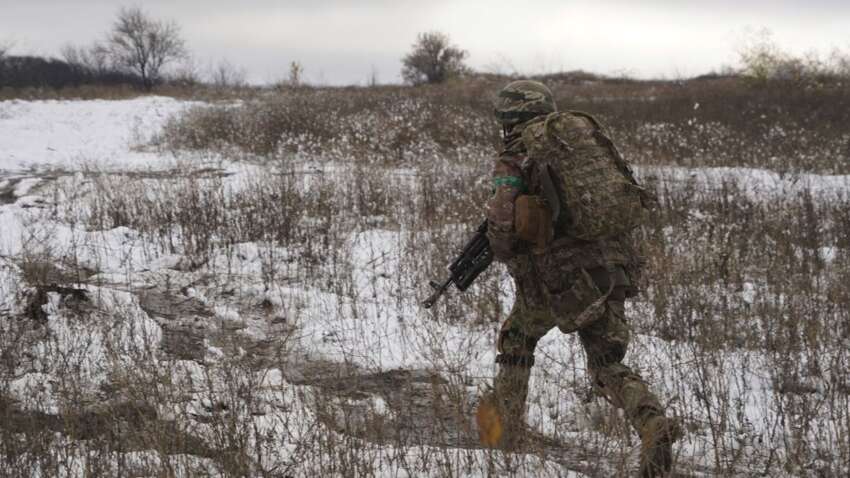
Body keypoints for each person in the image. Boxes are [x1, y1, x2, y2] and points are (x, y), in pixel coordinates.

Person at [477, 80, 680, 477]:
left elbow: (501, 225)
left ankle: (503, 438)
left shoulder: (516, 156)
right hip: (613, 265)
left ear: (508, 120)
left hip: (561, 278)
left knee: (517, 338)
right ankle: (652, 422)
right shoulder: (577, 145)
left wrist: (501, 242)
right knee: (606, 361)